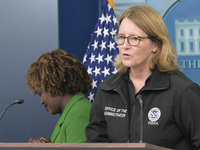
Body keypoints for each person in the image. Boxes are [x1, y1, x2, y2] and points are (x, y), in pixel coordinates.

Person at [85, 5, 200, 150]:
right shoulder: (108, 89)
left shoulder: (182, 91)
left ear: (156, 45)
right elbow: (95, 144)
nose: (125, 46)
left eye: (134, 39)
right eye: (121, 37)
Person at [26, 49, 92, 143]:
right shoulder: (70, 113)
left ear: (54, 84)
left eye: (40, 93)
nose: (42, 101)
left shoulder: (79, 113)